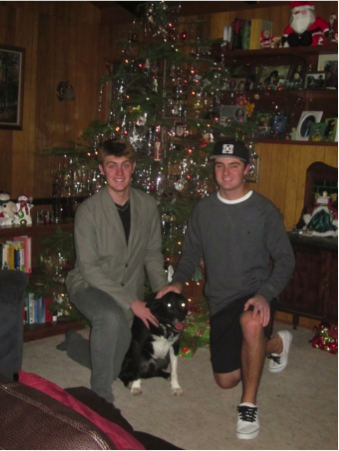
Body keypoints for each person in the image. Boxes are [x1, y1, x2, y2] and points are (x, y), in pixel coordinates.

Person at [157, 139, 295, 440]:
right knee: (225, 380)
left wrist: (265, 293)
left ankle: (249, 406)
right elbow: (190, 256)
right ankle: (277, 346)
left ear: (247, 169)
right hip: (220, 300)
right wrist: (178, 281)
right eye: (220, 165)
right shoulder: (203, 210)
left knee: (251, 322)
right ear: (214, 170)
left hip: (255, 293)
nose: (226, 171)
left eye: (234, 165)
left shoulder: (263, 210)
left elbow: (285, 259)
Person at [58, 139, 167, 403]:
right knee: (109, 317)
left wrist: (162, 293)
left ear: (133, 168)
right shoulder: (88, 212)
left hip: (128, 288)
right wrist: (133, 303)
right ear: (101, 169)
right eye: (111, 166)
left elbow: (152, 254)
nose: (119, 173)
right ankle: (101, 400)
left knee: (122, 363)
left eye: (124, 165)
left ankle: (75, 346)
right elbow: (89, 268)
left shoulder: (148, 206)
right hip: (89, 285)